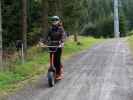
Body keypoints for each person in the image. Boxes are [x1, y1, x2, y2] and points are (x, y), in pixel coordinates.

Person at [46, 16, 66, 80]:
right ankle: (52, 69)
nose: (54, 21)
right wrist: (42, 42)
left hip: (58, 46)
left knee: (57, 60)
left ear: (58, 21)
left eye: (56, 20)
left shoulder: (61, 28)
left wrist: (62, 42)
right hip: (51, 46)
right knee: (52, 59)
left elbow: (63, 35)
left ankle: (59, 73)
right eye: (53, 20)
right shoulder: (50, 29)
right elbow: (46, 36)